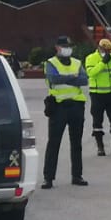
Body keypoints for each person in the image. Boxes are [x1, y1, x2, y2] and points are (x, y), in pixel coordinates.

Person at [42, 35, 89, 188]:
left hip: (76, 106)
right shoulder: (50, 63)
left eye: (70, 46)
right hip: (58, 107)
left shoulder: (77, 62)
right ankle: (48, 178)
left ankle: (77, 176)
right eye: (65, 46)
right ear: (57, 47)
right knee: (54, 143)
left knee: (76, 143)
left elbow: (84, 80)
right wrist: (72, 77)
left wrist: (66, 78)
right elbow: (53, 79)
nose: (68, 49)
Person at [85, 37, 111, 157]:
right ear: (100, 48)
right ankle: (100, 148)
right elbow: (91, 73)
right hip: (97, 94)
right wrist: (103, 62)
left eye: (110, 51)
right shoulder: (91, 58)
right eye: (106, 50)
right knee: (97, 120)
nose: (109, 53)